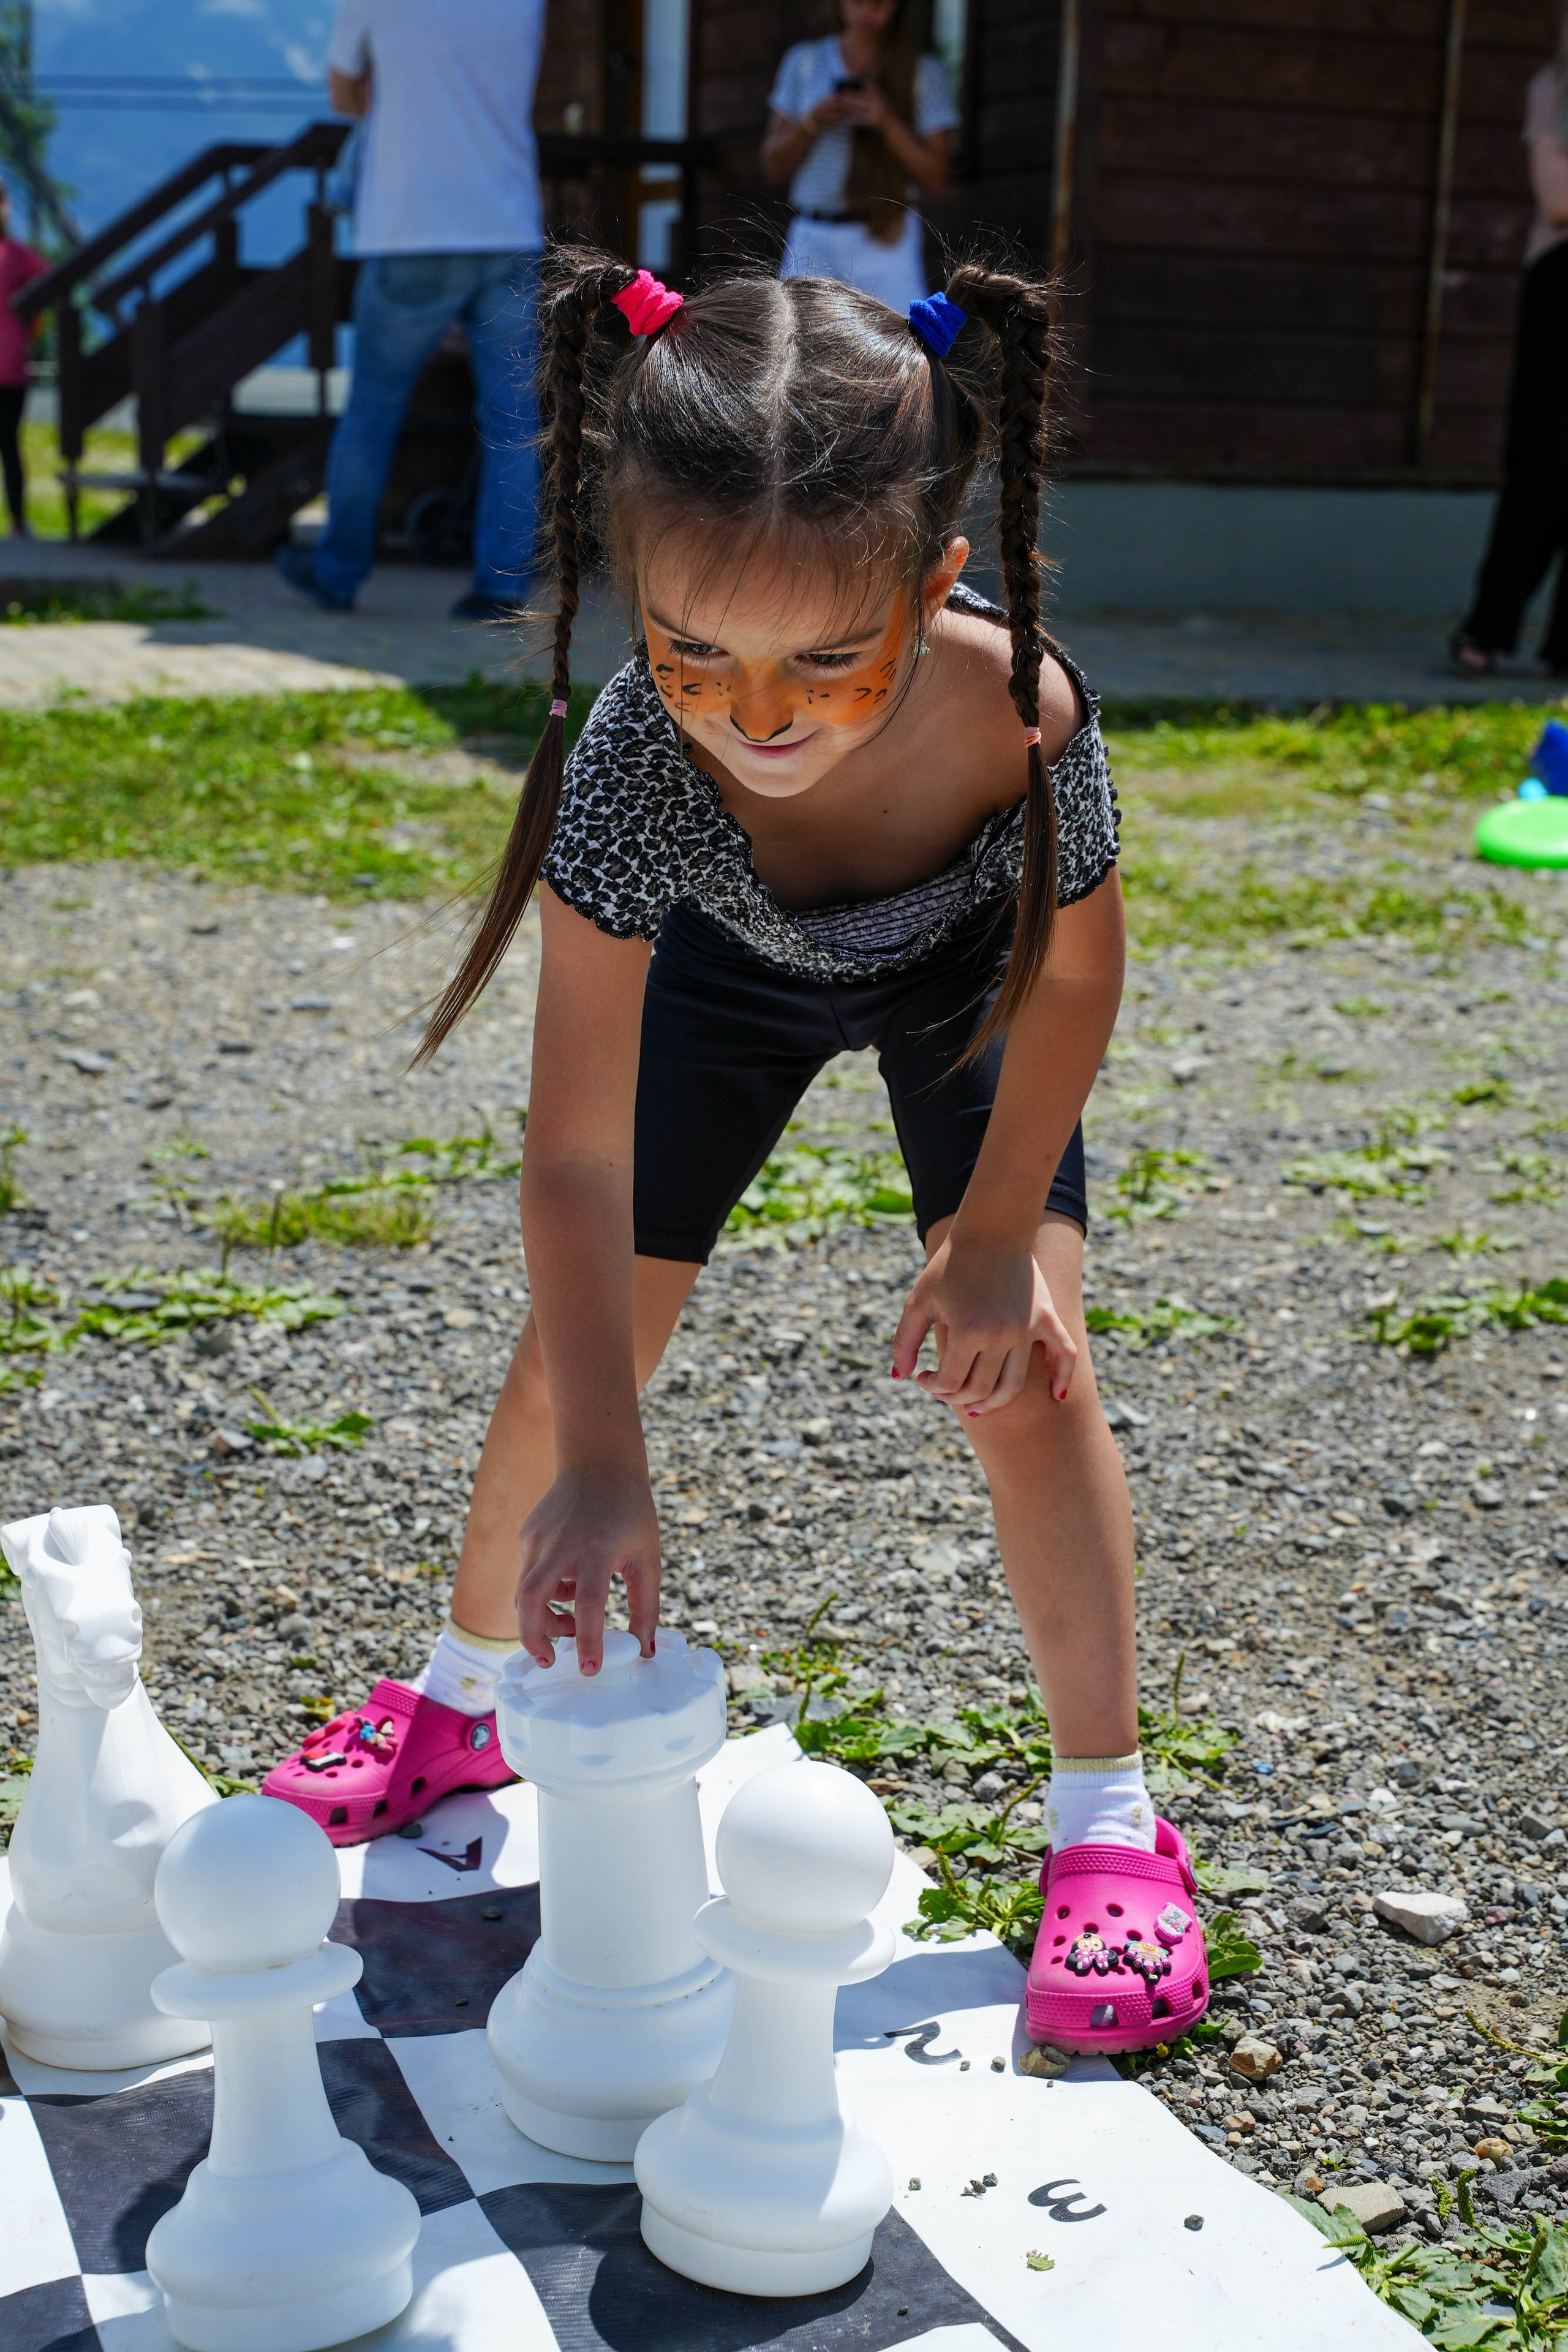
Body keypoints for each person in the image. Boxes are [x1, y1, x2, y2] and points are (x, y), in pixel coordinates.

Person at [260, 251, 1210, 2059]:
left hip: (972, 978)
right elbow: (569, 1154)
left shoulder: (1020, 707)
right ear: (633, 592)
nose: (755, 714)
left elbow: (1078, 977)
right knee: (571, 1357)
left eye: (823, 662)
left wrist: (995, 1225)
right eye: (692, 653)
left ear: (932, 582)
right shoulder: (634, 756)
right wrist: (604, 1461)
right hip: (726, 973)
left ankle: (1106, 1813)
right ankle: (459, 1692)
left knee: (1026, 1367)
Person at [277, 0, 548, 621]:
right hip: (507, 226)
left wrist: (394, 86)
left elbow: (343, 96)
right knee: (513, 423)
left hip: (410, 228)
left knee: (373, 412)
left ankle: (337, 572)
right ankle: (501, 587)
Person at [1452, 15, 1568, 677]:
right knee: (1543, 463)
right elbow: (1558, 200)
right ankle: (1488, 628)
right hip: (1562, 285)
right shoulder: (1555, 86)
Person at [762, 0, 959, 314]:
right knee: (800, 340)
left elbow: (938, 176)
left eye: (879, 4)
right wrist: (812, 122)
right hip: (813, 237)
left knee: (896, 343)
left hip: (887, 237)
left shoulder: (922, 71)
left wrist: (885, 121)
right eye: (858, 1)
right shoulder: (804, 62)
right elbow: (772, 165)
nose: (868, 12)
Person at [0, 185, 48, 540]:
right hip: (13, 362)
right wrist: (31, 326)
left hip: (11, 365)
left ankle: (18, 519)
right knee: (9, 444)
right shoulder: (17, 255)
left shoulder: (18, 254)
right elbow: (52, 281)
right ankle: (18, 522)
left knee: (9, 444)